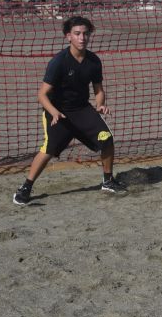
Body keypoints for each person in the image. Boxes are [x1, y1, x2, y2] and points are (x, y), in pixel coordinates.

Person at [13, 16, 127, 205]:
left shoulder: (94, 61)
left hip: (82, 110)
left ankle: (108, 181)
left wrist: (100, 105)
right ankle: (25, 187)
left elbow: (98, 90)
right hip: (59, 112)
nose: (82, 38)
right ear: (68, 36)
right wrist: (54, 112)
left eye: (85, 34)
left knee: (106, 138)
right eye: (77, 34)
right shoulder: (58, 62)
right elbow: (42, 94)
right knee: (49, 149)